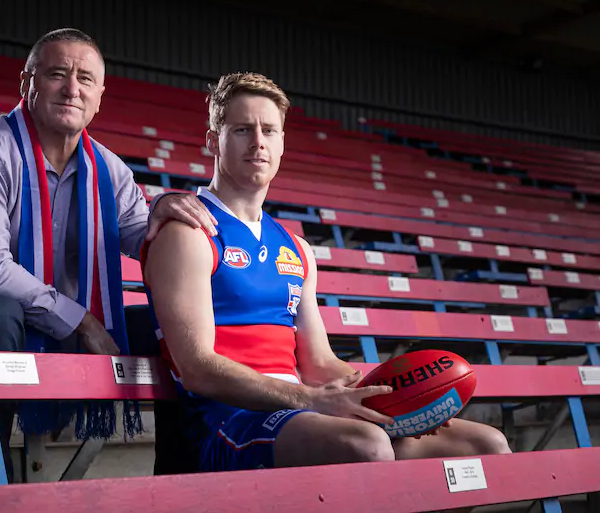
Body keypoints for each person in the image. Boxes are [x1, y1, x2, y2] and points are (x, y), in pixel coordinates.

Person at [0, 28, 217, 485]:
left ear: (101, 96)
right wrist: (81, 321)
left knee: (174, 325)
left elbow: (145, 240)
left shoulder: (109, 170)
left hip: (46, 317)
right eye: (57, 73)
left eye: (85, 78)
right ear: (28, 82)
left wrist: (167, 211)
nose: (72, 88)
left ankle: (179, 486)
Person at [141, 72, 511, 473]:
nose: (258, 142)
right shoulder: (188, 234)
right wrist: (310, 398)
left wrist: (394, 397)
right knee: (367, 446)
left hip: (301, 411)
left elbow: (318, 363)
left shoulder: (297, 249)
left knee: (486, 444)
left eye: (269, 130)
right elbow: (197, 369)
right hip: (228, 420)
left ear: (283, 141)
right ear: (214, 140)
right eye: (242, 129)